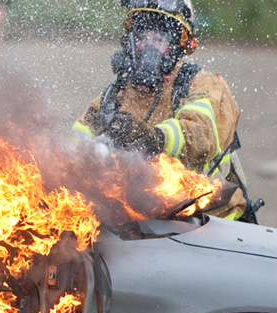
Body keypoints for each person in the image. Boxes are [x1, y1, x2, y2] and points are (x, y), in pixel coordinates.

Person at [73, 0, 258, 222]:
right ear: (130, 42)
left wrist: (155, 138)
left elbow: (200, 135)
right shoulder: (114, 97)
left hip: (211, 224)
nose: (148, 47)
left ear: (180, 44)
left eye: (159, 39)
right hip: (146, 224)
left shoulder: (202, 84)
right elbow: (74, 144)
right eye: (142, 38)